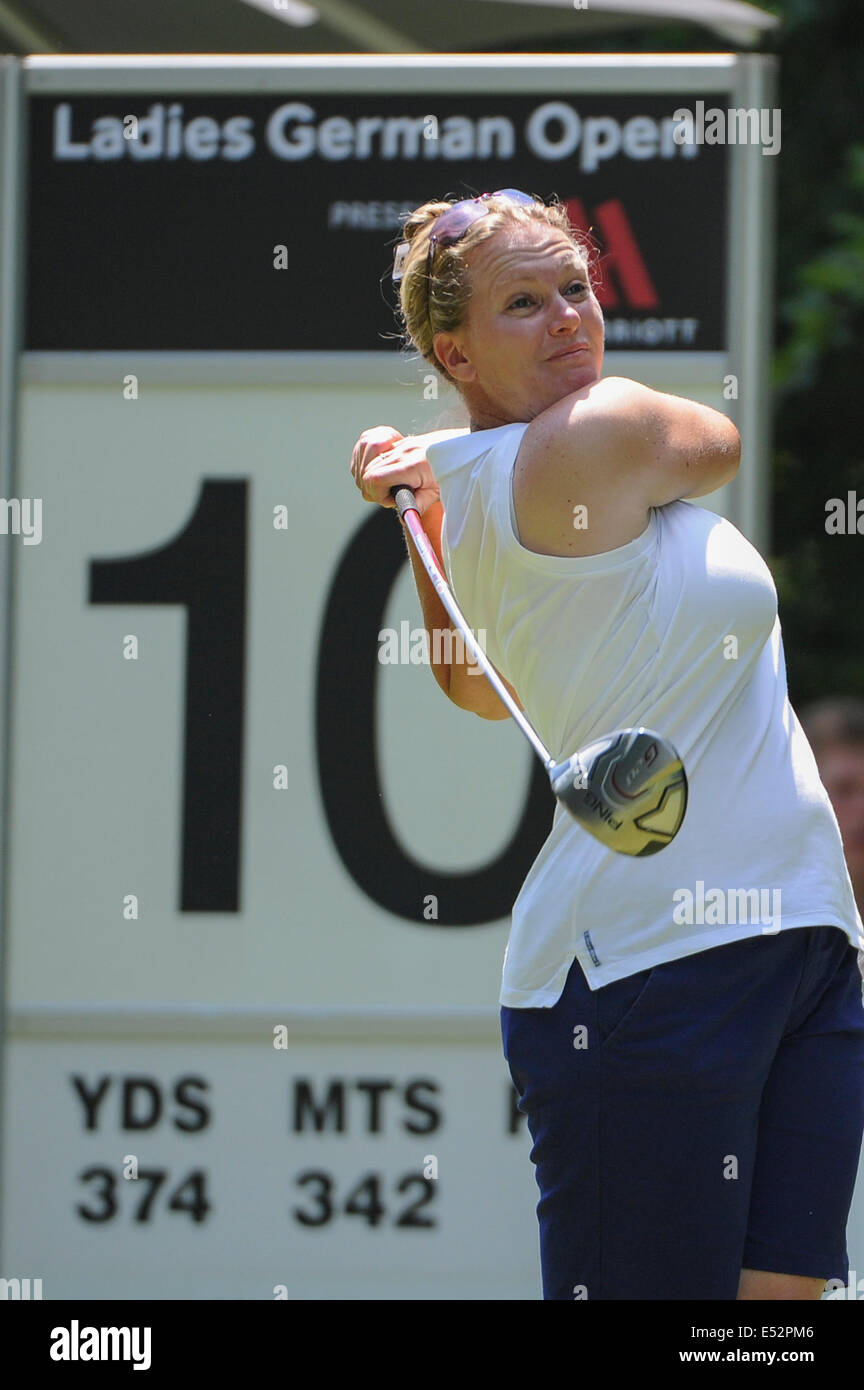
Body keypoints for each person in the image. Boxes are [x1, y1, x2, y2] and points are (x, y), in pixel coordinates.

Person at [349, 190, 864, 1301]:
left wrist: (429, 491)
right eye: (523, 304)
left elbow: (481, 690)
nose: (570, 320)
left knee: (775, 1314)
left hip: (802, 938)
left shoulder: (451, 486)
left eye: (577, 288)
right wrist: (437, 487)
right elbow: (716, 444)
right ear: (455, 348)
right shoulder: (605, 429)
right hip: (642, 971)